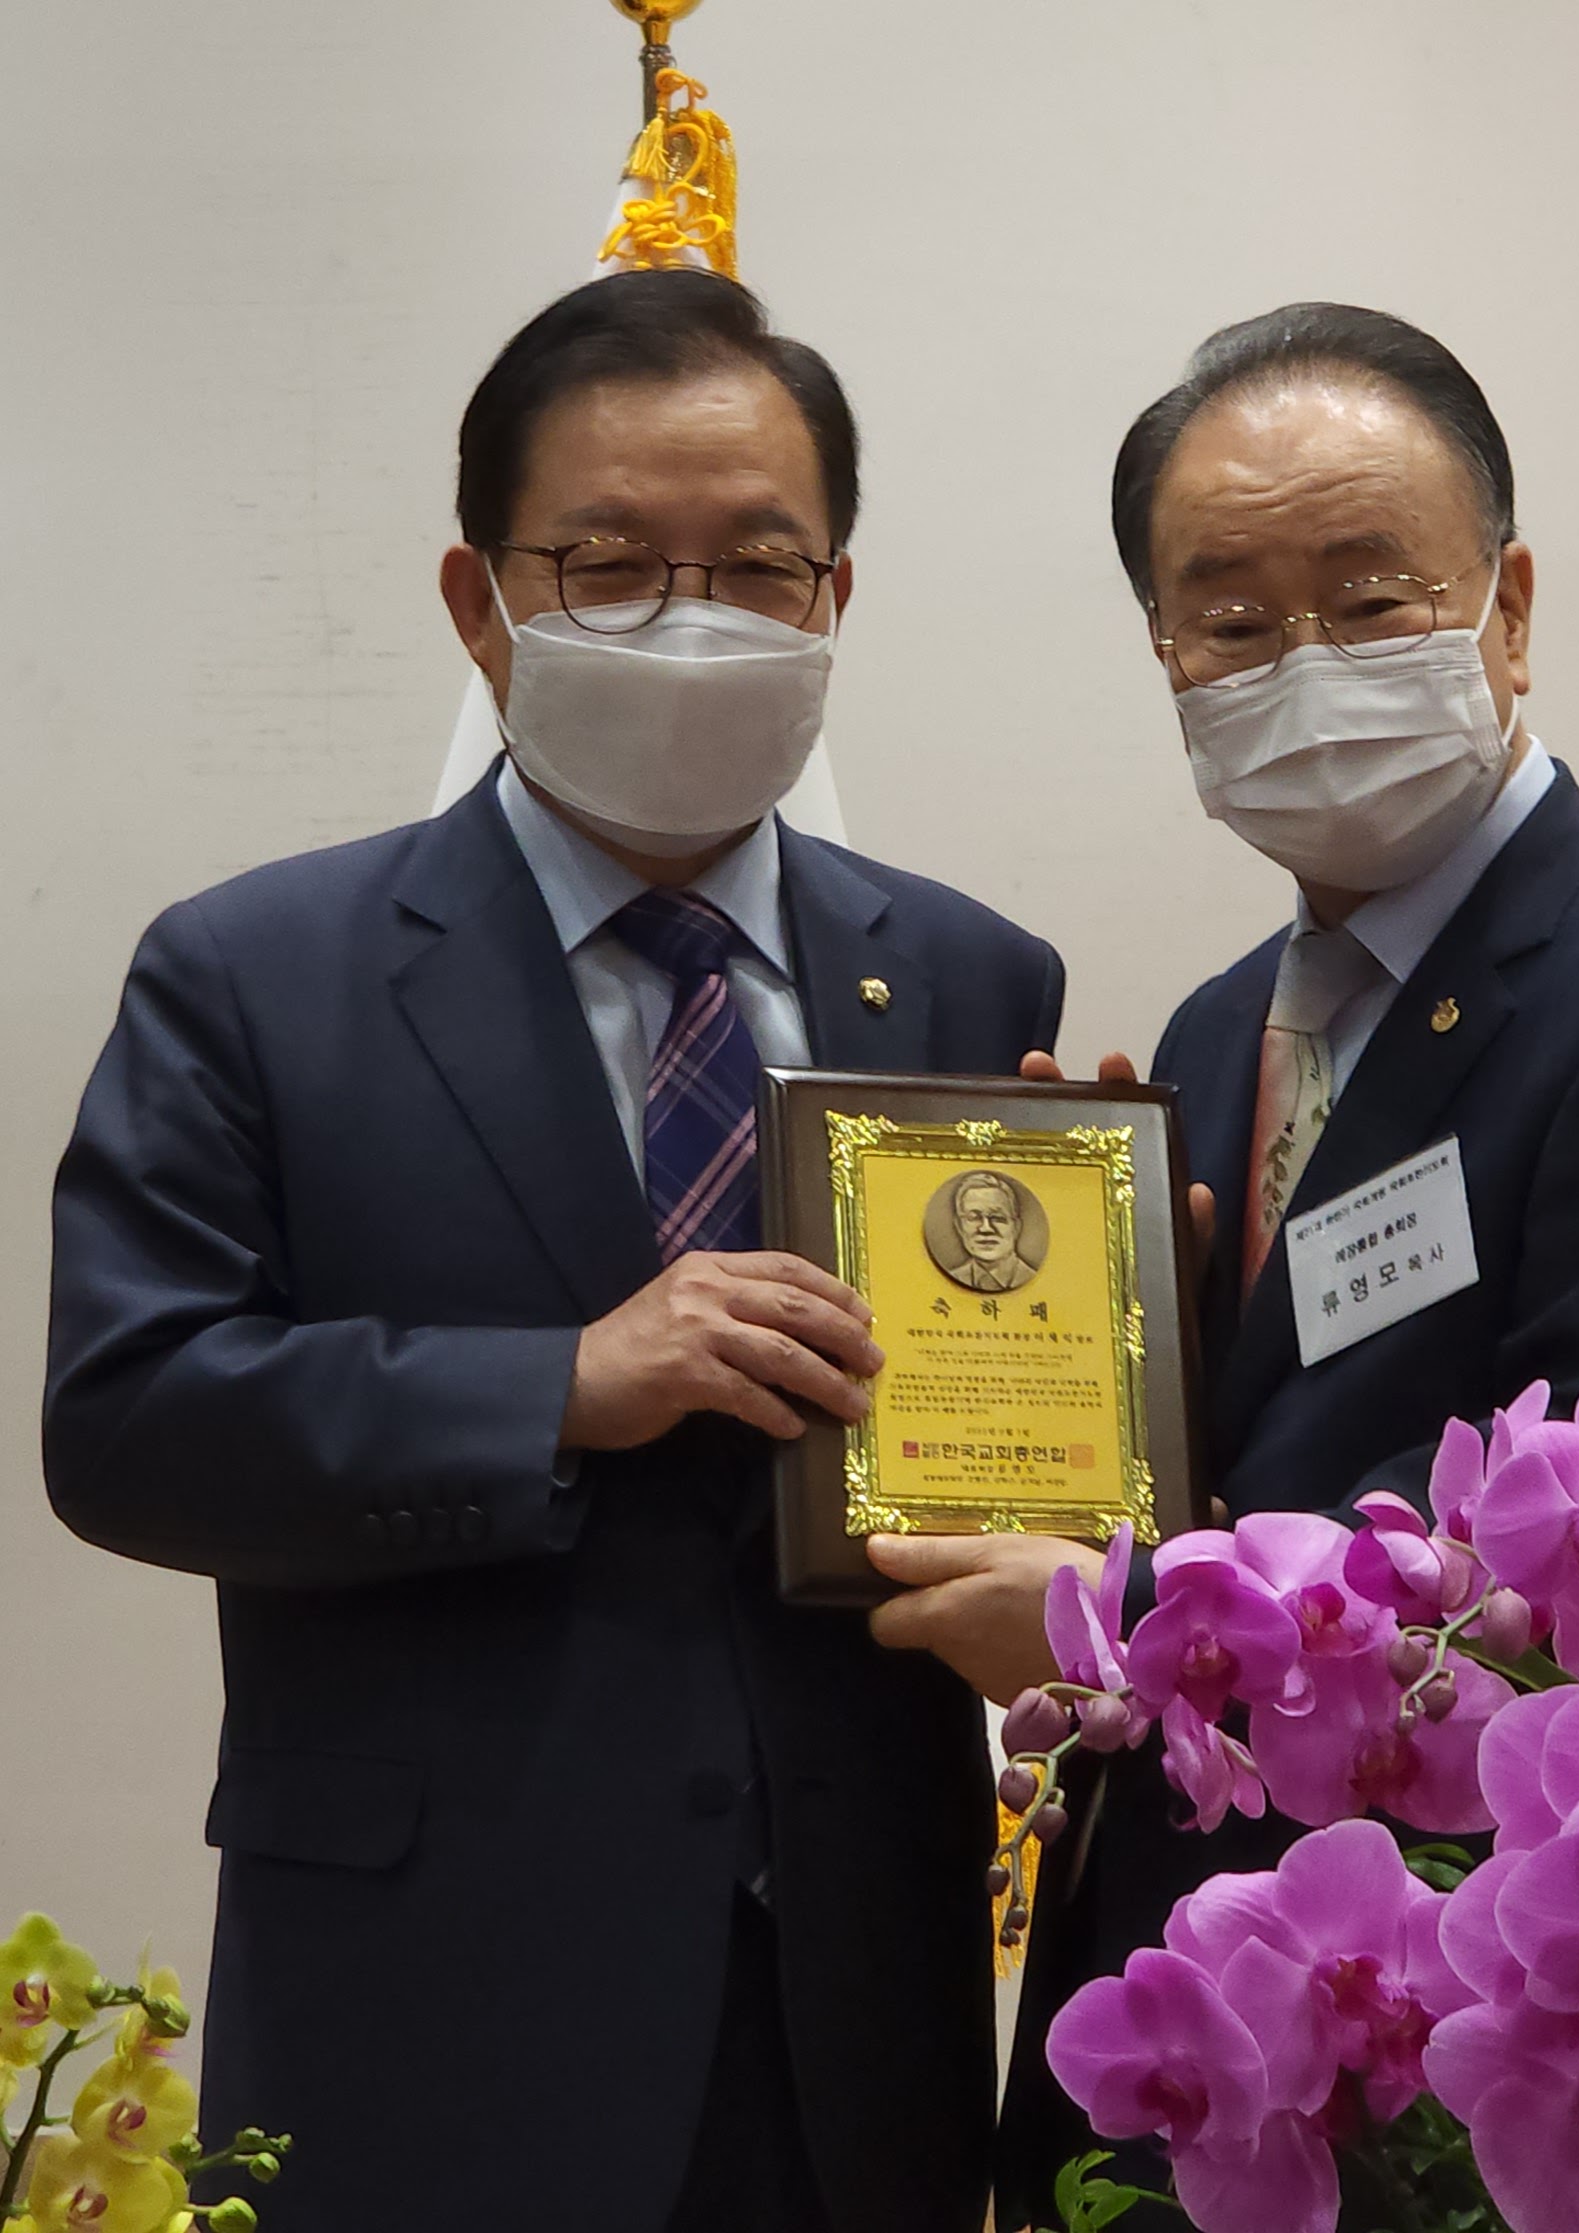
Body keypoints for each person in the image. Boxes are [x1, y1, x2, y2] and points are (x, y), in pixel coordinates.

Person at [43, 269, 1065, 2233]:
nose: (690, 617)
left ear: (834, 599)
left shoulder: (961, 972)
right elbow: (128, 1423)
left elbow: (978, 1431)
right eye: (605, 566)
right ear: (477, 602)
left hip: (846, 2007)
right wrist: (561, 1387)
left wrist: (1134, 1339)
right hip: (430, 2002)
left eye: (756, 566)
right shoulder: (256, 977)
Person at [858, 303, 1579, 2227]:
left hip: (1446, 2027)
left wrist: (1123, 1615)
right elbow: (1261, 1443)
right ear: (1164, 656)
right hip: (1185, 1974)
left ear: (1507, 608)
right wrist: (1100, 1338)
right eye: (1230, 617)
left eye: (1371, 595)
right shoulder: (1225, 1021)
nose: (1300, 663)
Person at [949, 1171, 1042, 1292]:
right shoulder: (950, 1279)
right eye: (974, 1218)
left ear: (1016, 1227)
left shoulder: (1038, 1280)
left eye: (997, 1218)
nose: (985, 1229)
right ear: (959, 1226)